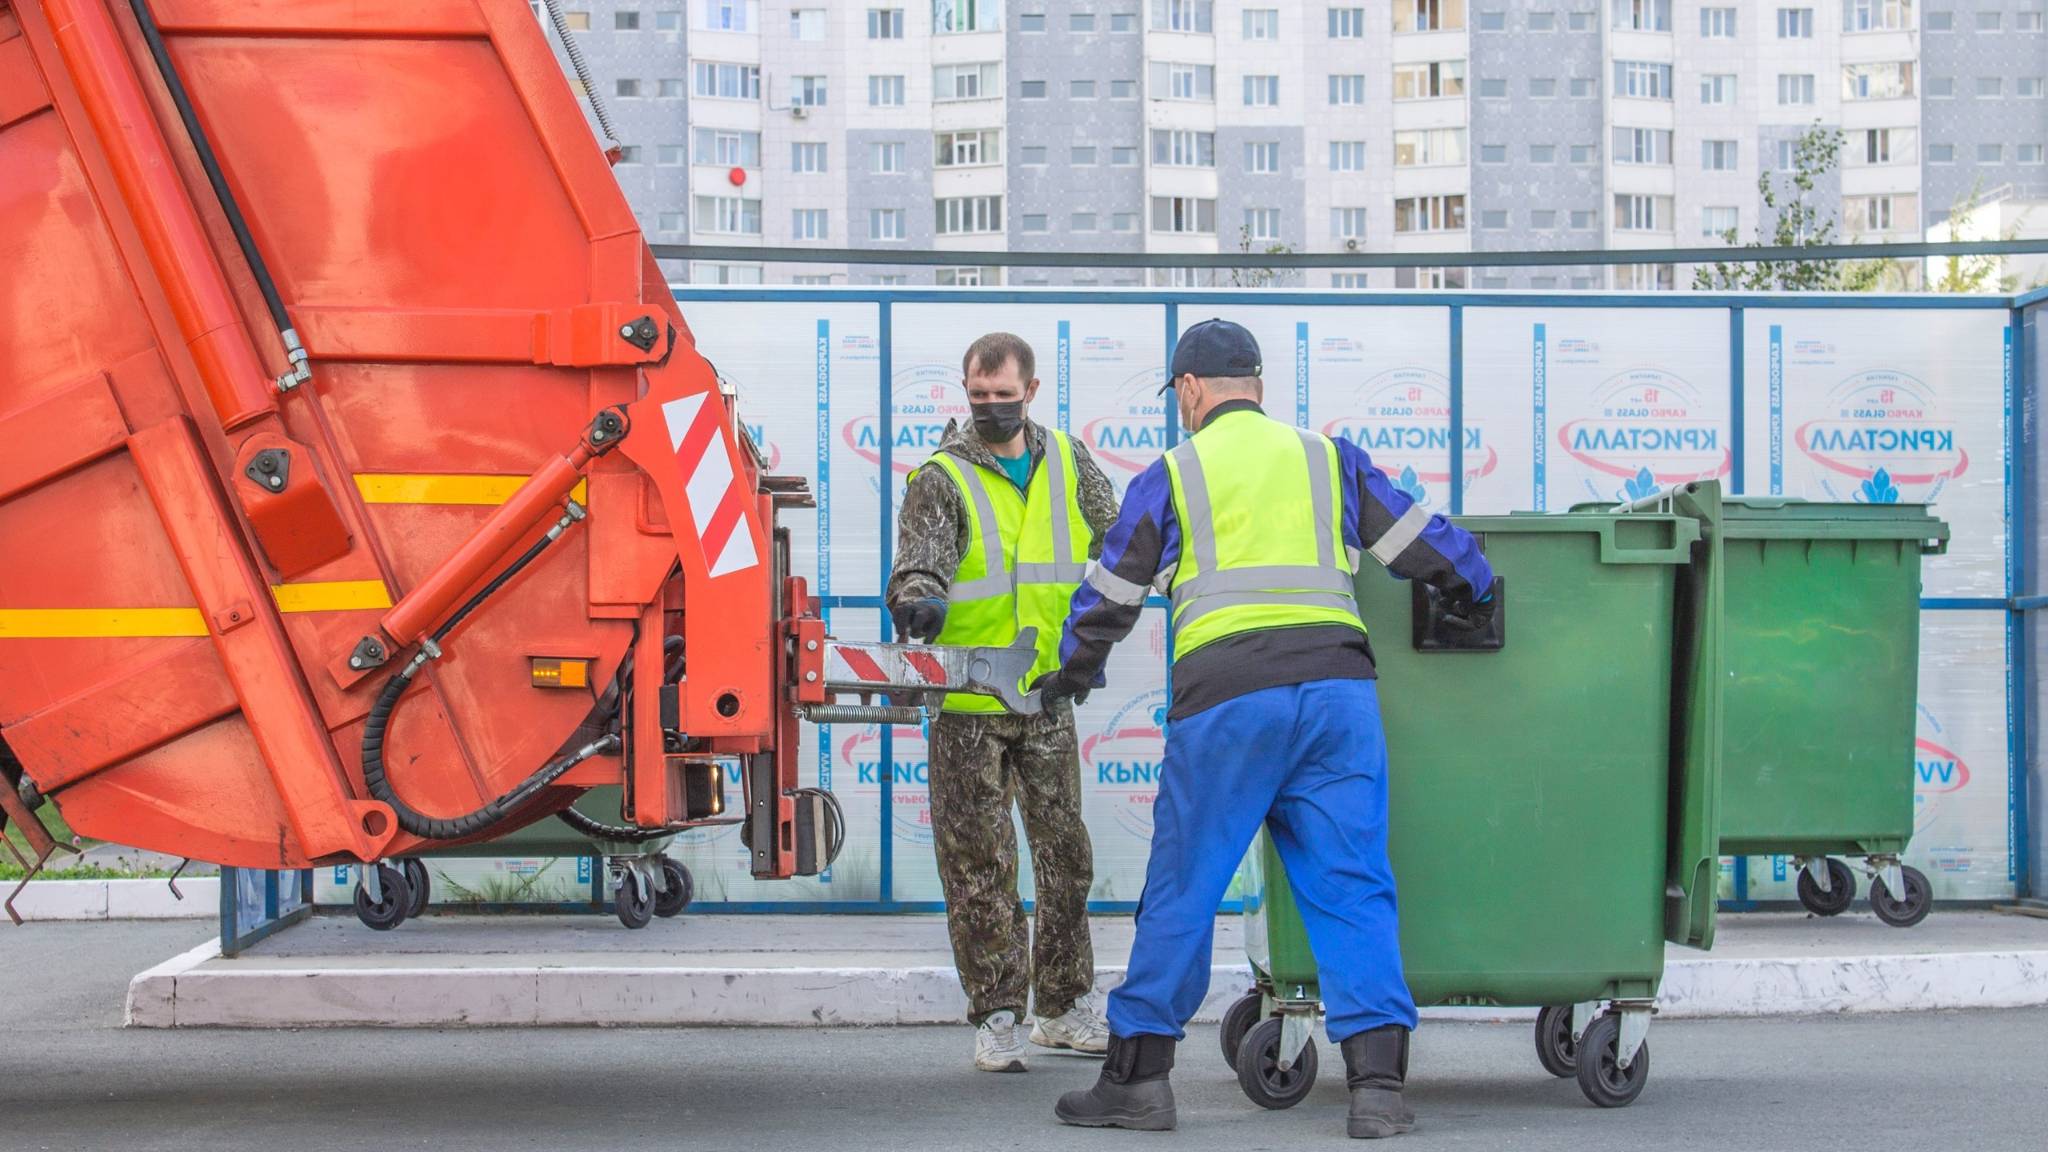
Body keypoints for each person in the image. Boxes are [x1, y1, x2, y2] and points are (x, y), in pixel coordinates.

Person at [1033, 319, 1496, 1137]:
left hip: (1229, 702)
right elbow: (1431, 548)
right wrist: (1476, 588)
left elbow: (1109, 593)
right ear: (1255, 385)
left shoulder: (1175, 472)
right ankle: (1379, 1091)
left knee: (1184, 888)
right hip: (1337, 698)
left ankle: (1138, 1081)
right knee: (1353, 887)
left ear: (1189, 390)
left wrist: (1069, 675)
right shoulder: (1328, 458)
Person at [887, 332, 1123, 1072]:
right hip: (967, 699)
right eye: (978, 397)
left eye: (1003, 396)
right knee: (979, 865)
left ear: (1032, 390)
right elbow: (919, 562)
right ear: (966, 393)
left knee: (1065, 858)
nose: (991, 408)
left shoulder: (1068, 460)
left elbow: (1118, 542)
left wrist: (1092, 645)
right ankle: (997, 1013)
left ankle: (1062, 1007)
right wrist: (918, 602)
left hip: (1047, 692)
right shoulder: (941, 476)